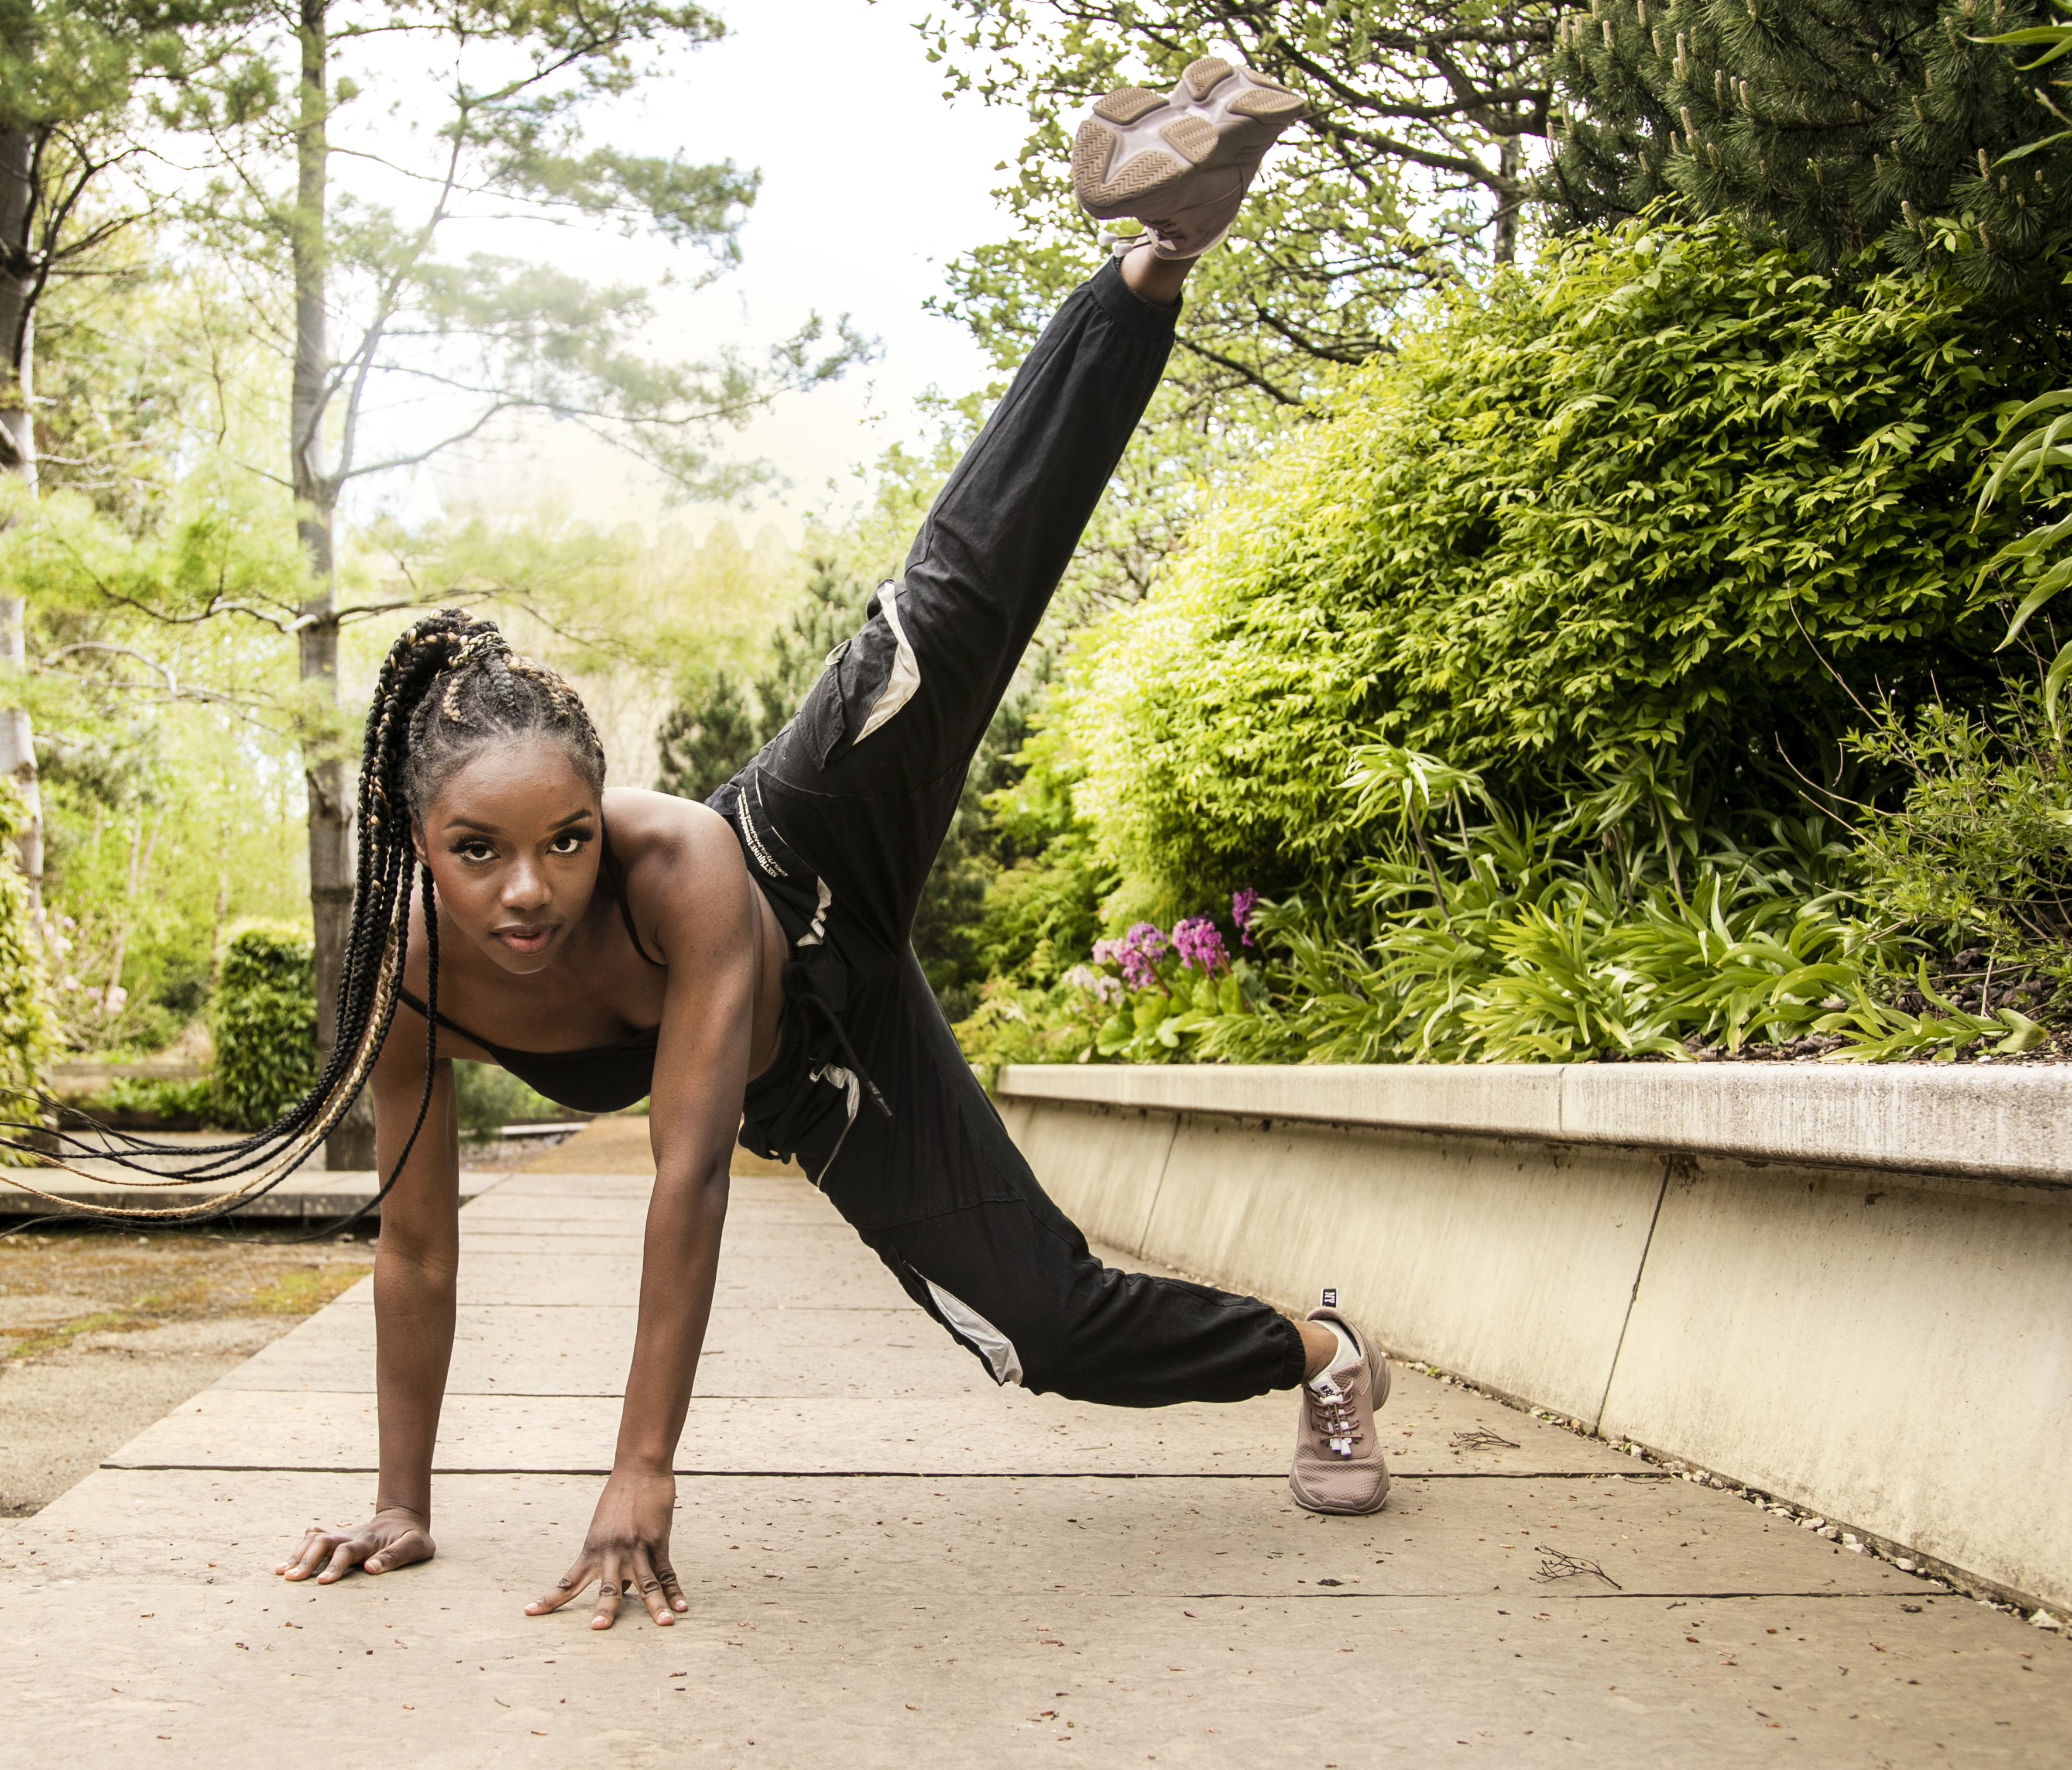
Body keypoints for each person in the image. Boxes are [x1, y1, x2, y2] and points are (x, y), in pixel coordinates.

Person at [252, 54, 1392, 1629]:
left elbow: (688, 1178)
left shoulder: (686, 873)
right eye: (479, 852)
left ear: (608, 813)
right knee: (1044, 1331)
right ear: (418, 842)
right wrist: (400, 1499)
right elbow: (419, 1250)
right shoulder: (415, 981)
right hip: (823, 1069)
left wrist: (641, 1462)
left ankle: (1155, 259)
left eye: (566, 841)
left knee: (938, 619)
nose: (530, 889)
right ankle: (1326, 1354)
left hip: (801, 867)